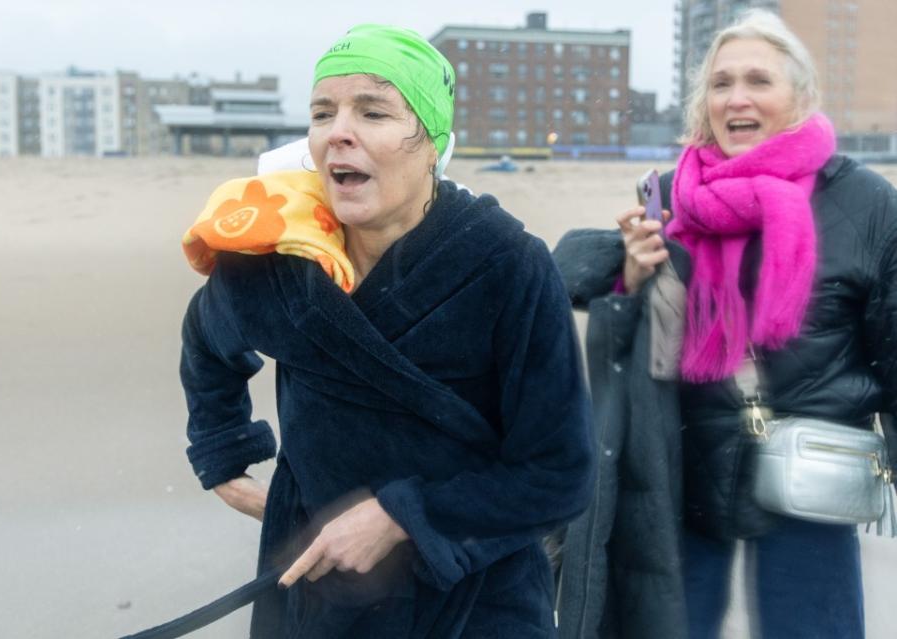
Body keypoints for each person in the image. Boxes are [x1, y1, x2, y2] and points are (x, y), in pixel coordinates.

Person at [179, 24, 595, 638]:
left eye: (372, 111)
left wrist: (402, 517)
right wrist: (223, 453)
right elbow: (206, 339)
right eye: (323, 113)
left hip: (477, 603)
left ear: (433, 144)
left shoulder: (505, 264)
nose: (338, 131)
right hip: (321, 596)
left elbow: (559, 476)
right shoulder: (280, 265)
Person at [552, 10, 897, 639]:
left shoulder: (865, 201)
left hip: (813, 469)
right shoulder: (665, 195)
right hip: (687, 466)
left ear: (800, 97)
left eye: (759, 81)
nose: (736, 98)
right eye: (721, 83)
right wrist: (629, 278)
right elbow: (635, 345)